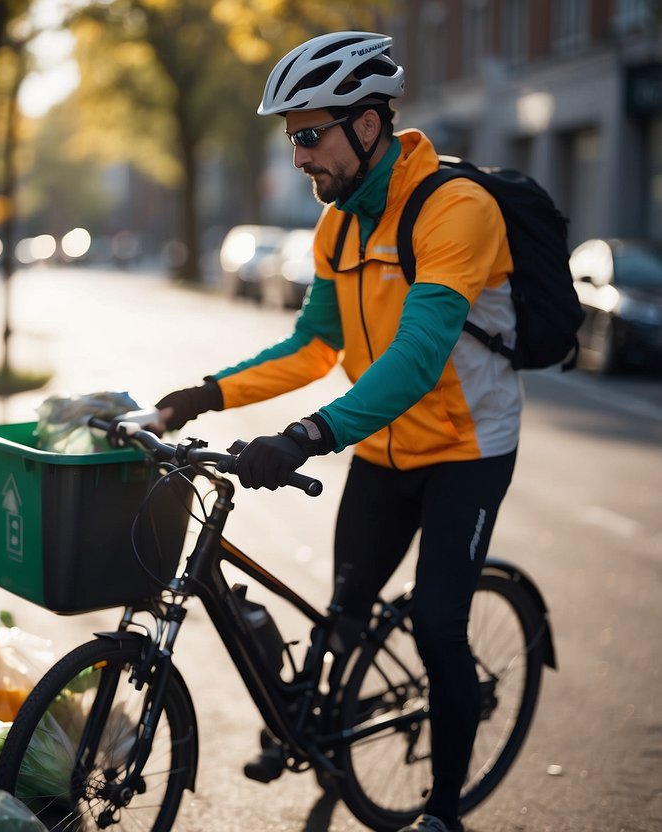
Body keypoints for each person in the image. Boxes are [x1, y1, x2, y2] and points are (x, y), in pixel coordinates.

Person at [151, 32, 518, 832]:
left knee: (435, 624)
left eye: (309, 135)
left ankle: (444, 810)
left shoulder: (457, 209)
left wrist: (309, 435)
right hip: (384, 449)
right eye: (291, 139)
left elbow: (419, 355)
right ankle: (317, 736)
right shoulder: (338, 227)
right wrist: (201, 395)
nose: (297, 158)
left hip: (466, 449)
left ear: (367, 124)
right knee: (344, 608)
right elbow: (313, 347)